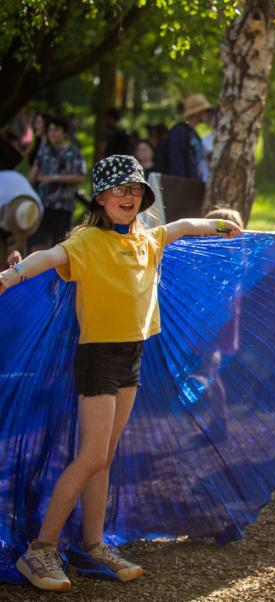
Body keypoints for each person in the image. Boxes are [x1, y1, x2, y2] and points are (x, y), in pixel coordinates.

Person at [1, 154, 242, 593]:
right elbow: (47, 256)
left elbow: (183, 227)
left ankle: (92, 545)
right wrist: (10, 275)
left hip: (131, 356)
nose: (128, 196)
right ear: (100, 197)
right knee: (91, 456)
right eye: (119, 189)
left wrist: (219, 227)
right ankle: (39, 549)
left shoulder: (146, 241)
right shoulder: (86, 242)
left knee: (105, 455)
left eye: (134, 190)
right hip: (97, 357)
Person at [27, 115, 85, 252]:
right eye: (50, 130)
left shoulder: (74, 152)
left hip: (62, 207)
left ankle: (56, 274)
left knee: (60, 245)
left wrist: (54, 178)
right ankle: (35, 272)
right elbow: (34, 173)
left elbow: (79, 177)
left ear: (65, 133)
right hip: (42, 205)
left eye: (56, 130)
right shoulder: (44, 151)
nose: (52, 133)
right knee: (36, 244)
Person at [157, 93, 210, 180]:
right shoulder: (179, 132)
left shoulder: (193, 133)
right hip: (184, 185)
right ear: (198, 113)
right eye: (205, 111)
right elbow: (176, 161)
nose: (207, 113)